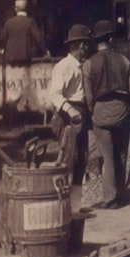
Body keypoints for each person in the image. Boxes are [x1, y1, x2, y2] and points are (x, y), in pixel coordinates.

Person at [82, 20, 130, 208]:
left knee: (107, 156)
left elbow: (88, 97)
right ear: (111, 39)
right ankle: (122, 193)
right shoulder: (124, 60)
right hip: (121, 110)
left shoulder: (88, 65)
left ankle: (110, 198)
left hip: (100, 111)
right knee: (121, 153)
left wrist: (92, 114)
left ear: (96, 41)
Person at [48, 24, 93, 215]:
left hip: (79, 113)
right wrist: (70, 110)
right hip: (67, 117)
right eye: (87, 46)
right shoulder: (64, 67)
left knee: (81, 159)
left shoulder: (79, 67)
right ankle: (63, 207)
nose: (88, 50)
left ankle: (75, 207)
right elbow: (54, 94)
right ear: (81, 46)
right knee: (69, 161)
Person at [0, 0, 48, 65]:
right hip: (25, 57)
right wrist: (45, 51)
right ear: (27, 9)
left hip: (10, 57)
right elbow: (38, 38)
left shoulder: (8, 22)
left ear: (15, 9)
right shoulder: (30, 22)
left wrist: (4, 49)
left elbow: (2, 38)